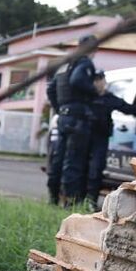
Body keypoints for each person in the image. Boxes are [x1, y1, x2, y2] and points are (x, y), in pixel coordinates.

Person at [45, 35, 99, 206]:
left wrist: (60, 108)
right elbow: (77, 80)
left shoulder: (65, 64)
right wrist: (94, 91)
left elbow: (51, 89)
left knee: (58, 160)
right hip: (77, 118)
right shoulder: (84, 63)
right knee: (74, 161)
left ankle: (53, 198)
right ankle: (71, 202)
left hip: (63, 116)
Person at [84, 70, 136, 208]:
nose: (98, 83)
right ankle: (77, 200)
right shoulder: (86, 98)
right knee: (81, 169)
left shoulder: (110, 98)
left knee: (96, 170)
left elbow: (128, 108)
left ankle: (91, 201)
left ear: (104, 81)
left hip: (100, 139)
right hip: (84, 138)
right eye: (95, 80)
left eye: (100, 79)